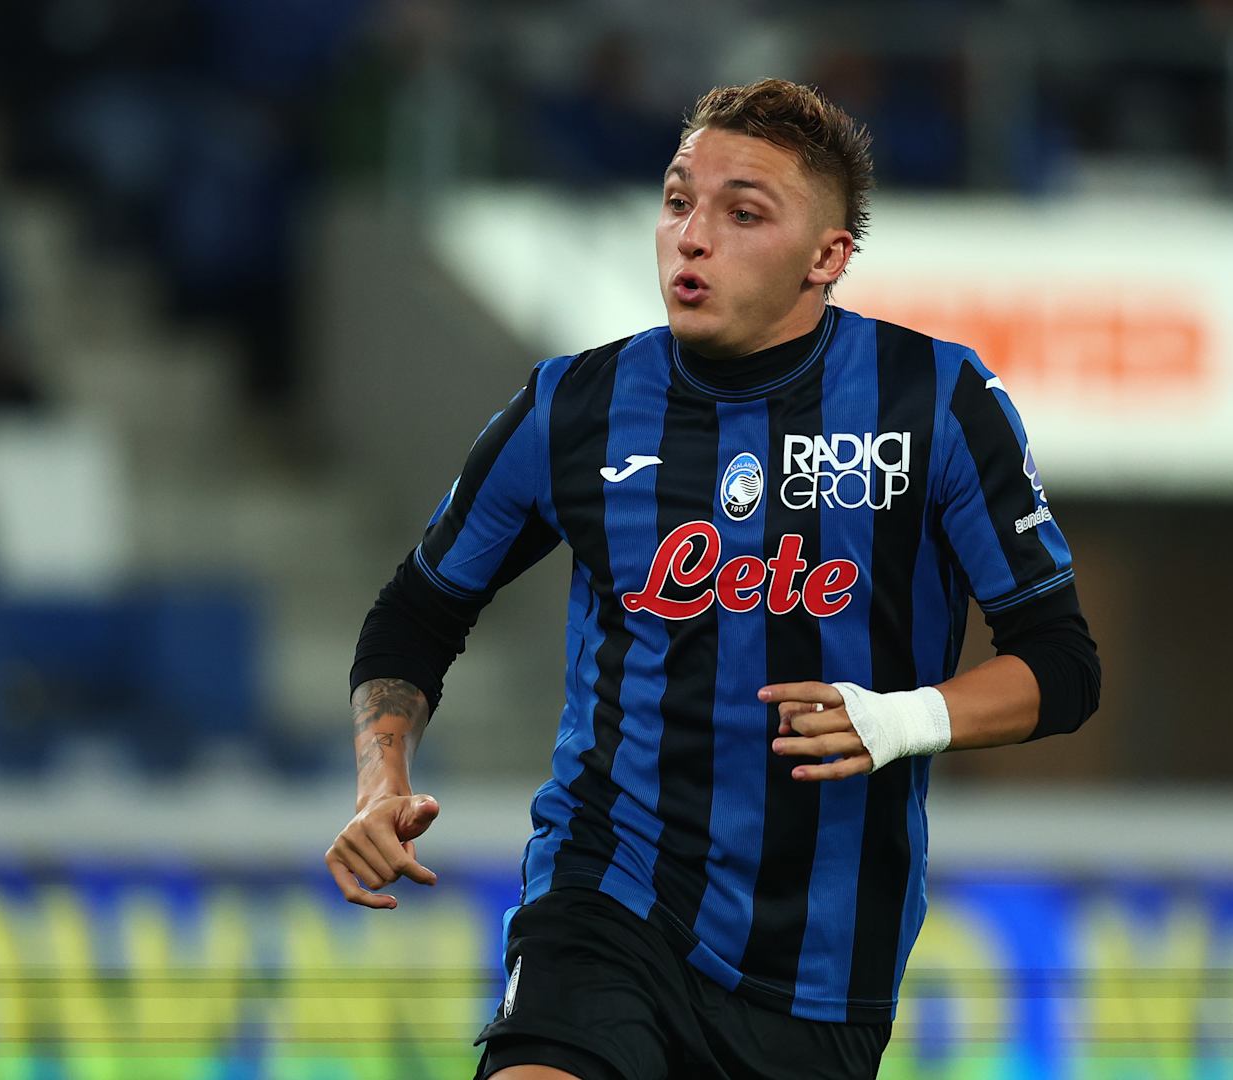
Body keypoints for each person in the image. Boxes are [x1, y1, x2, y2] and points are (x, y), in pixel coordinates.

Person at [328, 78, 1100, 1080]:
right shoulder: (574, 408)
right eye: (678, 200)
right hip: (605, 896)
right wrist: (380, 779)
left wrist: (901, 719)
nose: (691, 237)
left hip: (821, 965)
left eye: (743, 214)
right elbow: (417, 614)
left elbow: (1062, 666)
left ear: (827, 257)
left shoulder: (936, 402)